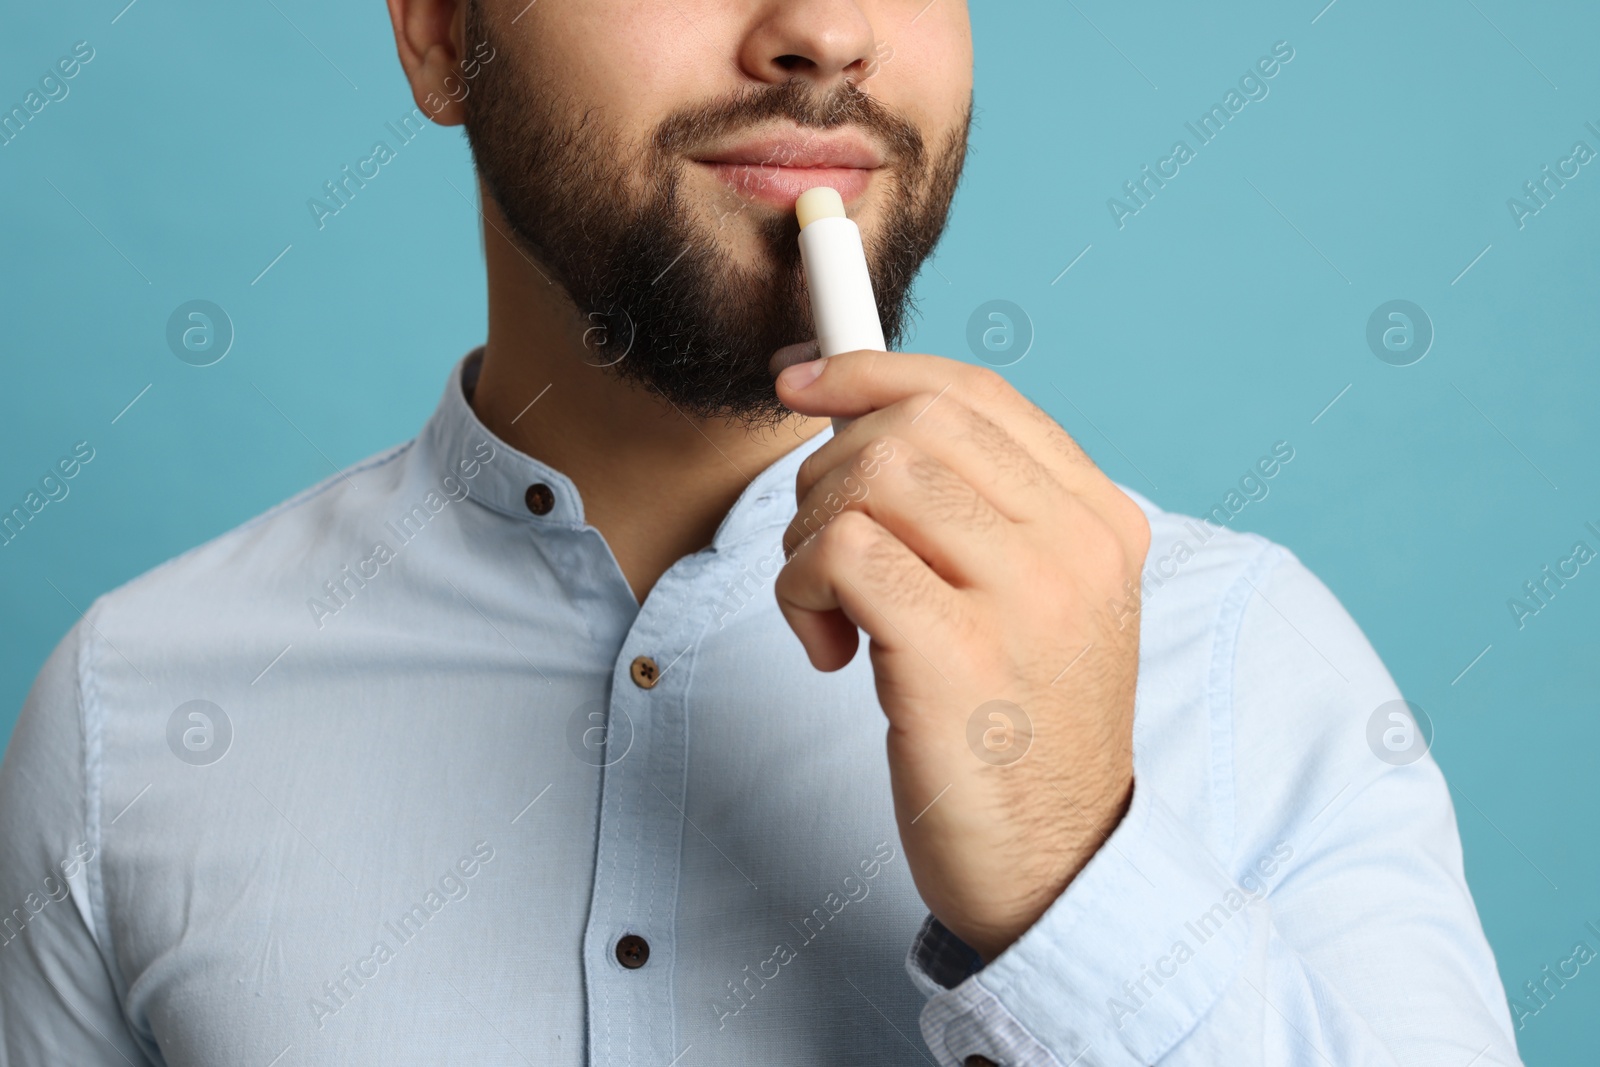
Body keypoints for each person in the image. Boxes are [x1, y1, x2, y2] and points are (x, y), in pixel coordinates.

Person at [0, 2, 1521, 1064]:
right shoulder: (137, 709)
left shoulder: (1250, 659)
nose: (827, 30)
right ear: (442, 30)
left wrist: (1075, 880)